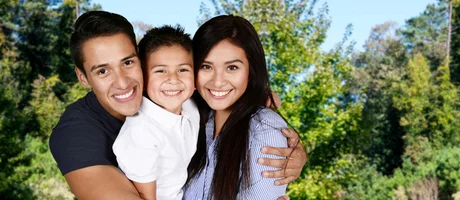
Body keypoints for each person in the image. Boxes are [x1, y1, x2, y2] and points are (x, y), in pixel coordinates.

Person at [49, 11, 307, 199]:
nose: (123, 83)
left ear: (141, 59)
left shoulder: (177, 98)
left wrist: (286, 142)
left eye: (127, 63)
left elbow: (222, 88)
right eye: (102, 71)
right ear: (83, 77)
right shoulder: (74, 135)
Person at [184, 15, 295, 200]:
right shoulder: (192, 119)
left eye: (232, 68)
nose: (218, 81)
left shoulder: (265, 128)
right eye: (206, 66)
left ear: (251, 71)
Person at [112, 25, 198, 200]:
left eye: (183, 69)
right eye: (160, 70)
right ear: (143, 77)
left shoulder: (190, 105)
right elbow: (145, 197)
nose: (173, 79)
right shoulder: (141, 132)